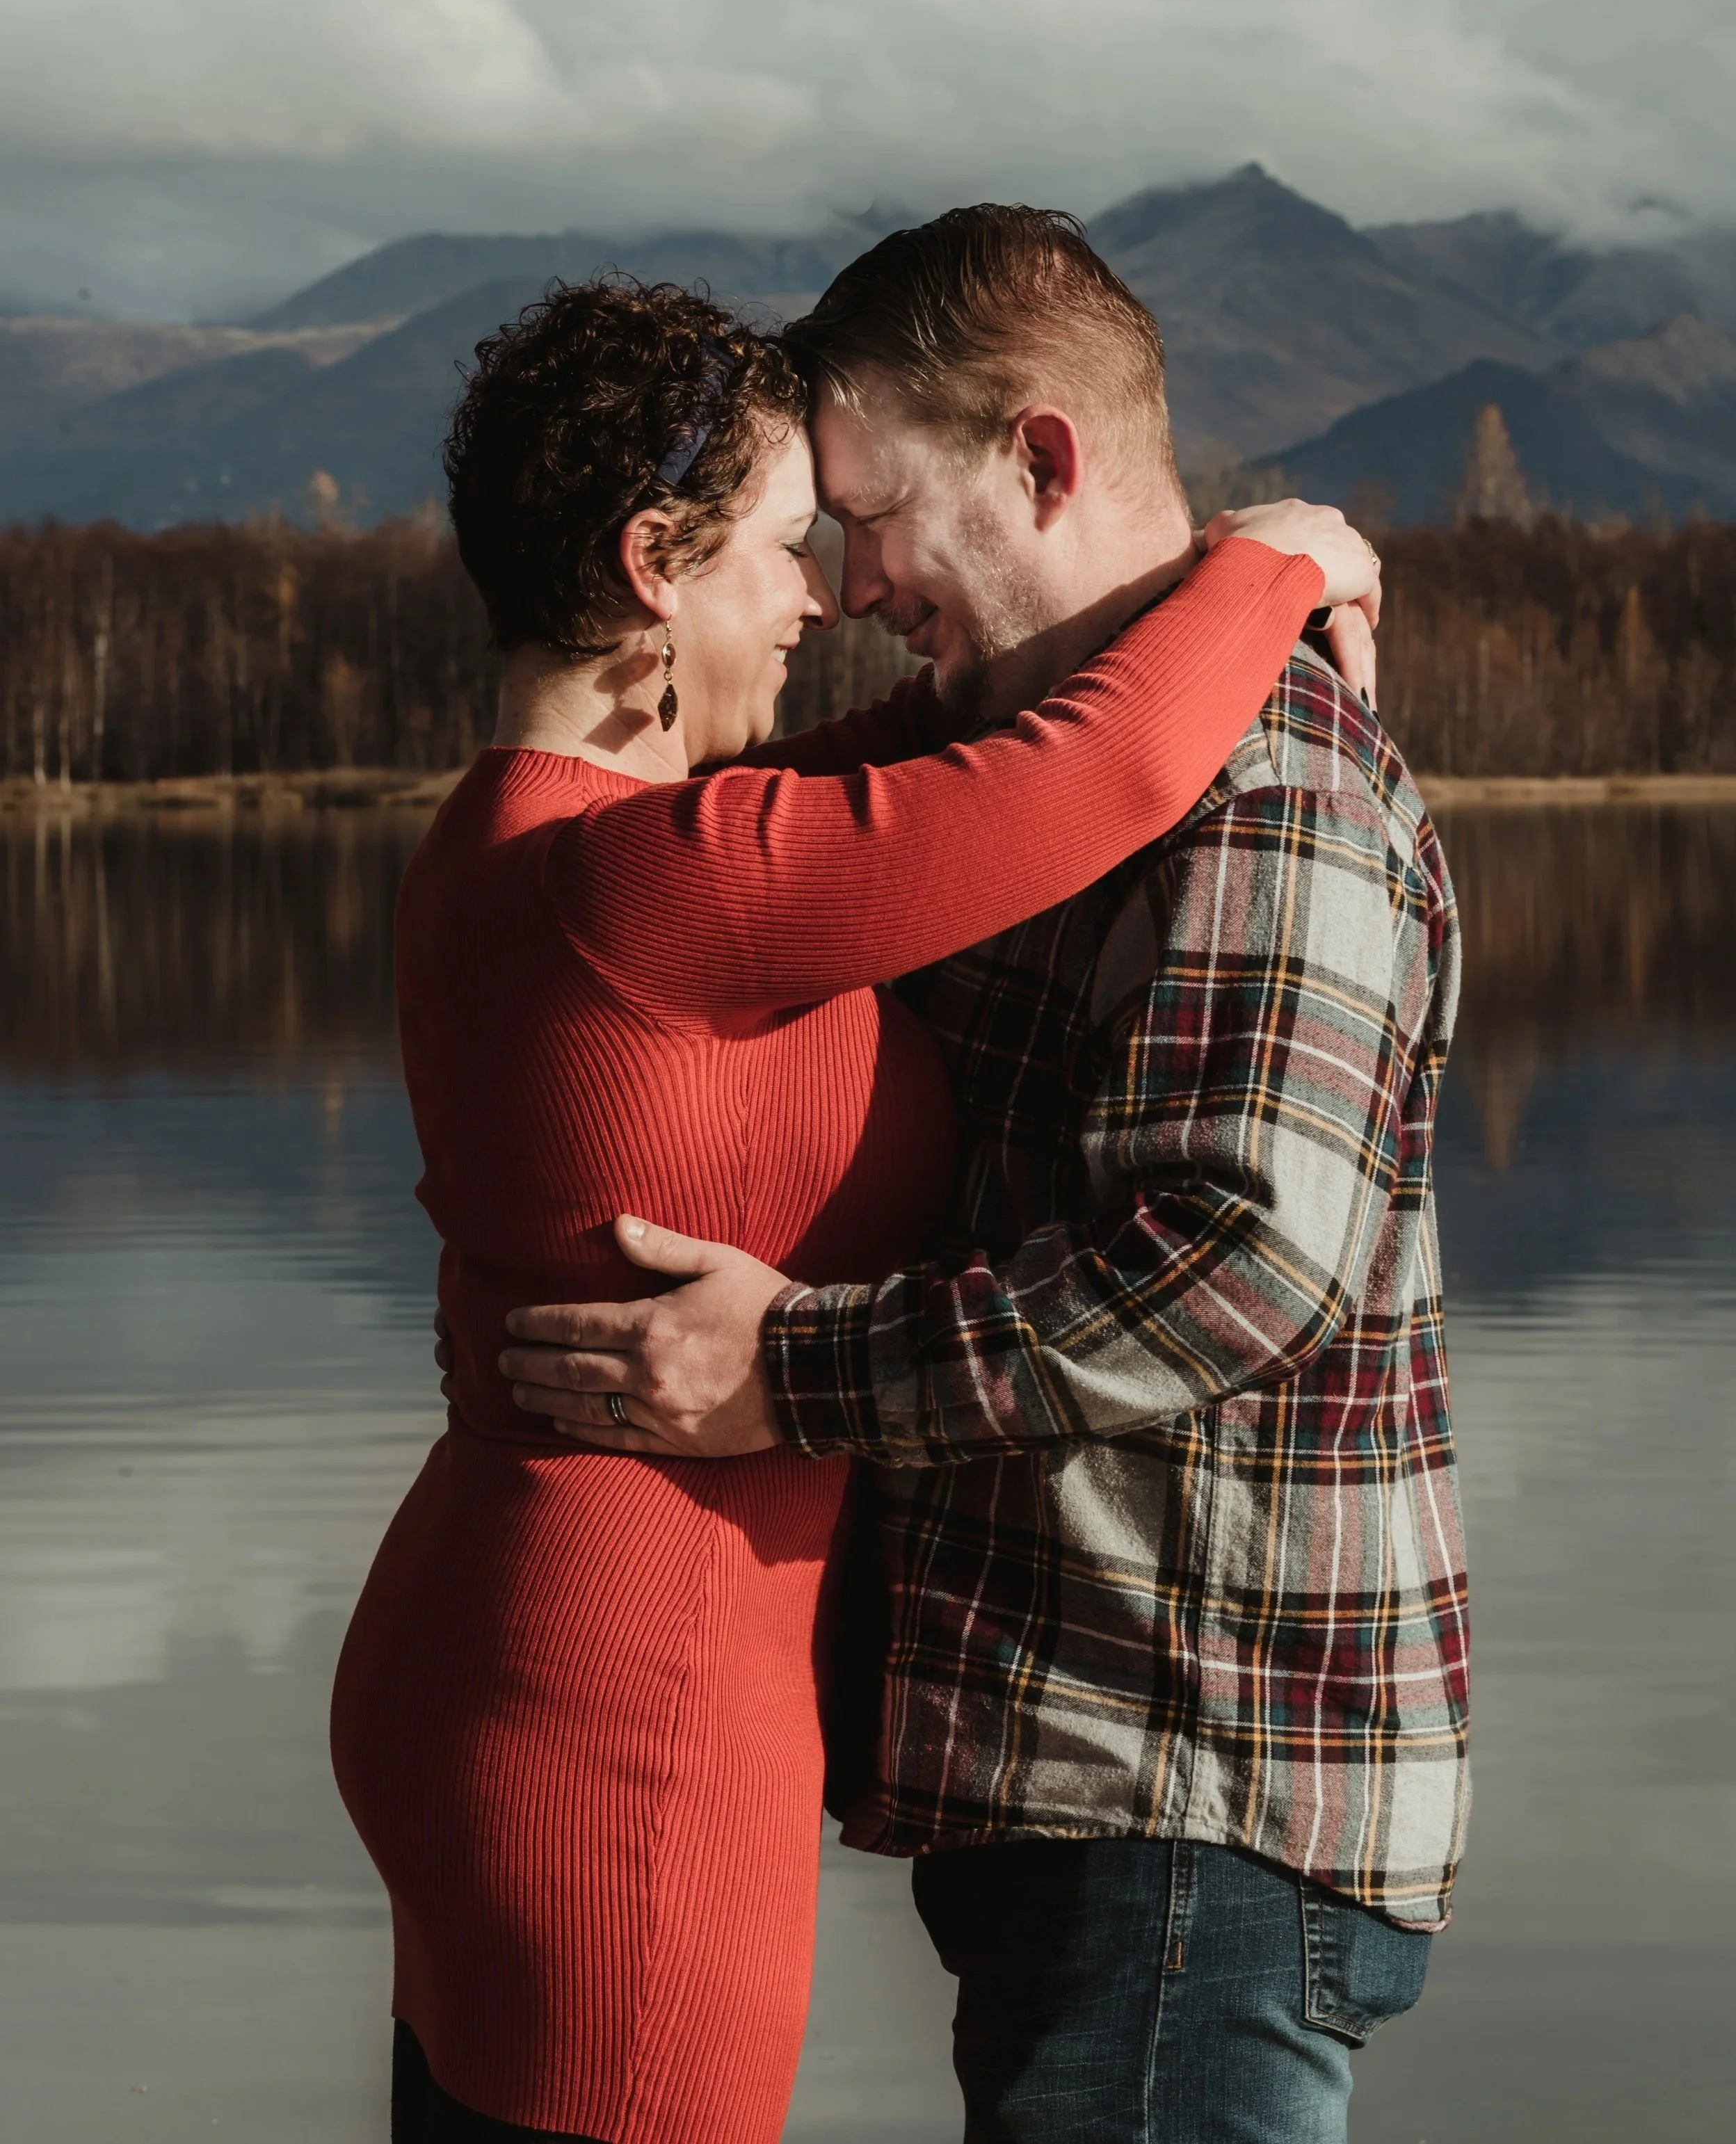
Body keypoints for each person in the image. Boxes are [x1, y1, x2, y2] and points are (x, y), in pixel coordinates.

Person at [330, 265, 1375, 2144]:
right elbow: (1108, 766)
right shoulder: (669, 887)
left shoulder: (529, 839)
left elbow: (940, 768)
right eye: (792, 547)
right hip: (633, 1710)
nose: (825, 601)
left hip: (528, 1649)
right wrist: (1282, 559)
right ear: (659, 559)